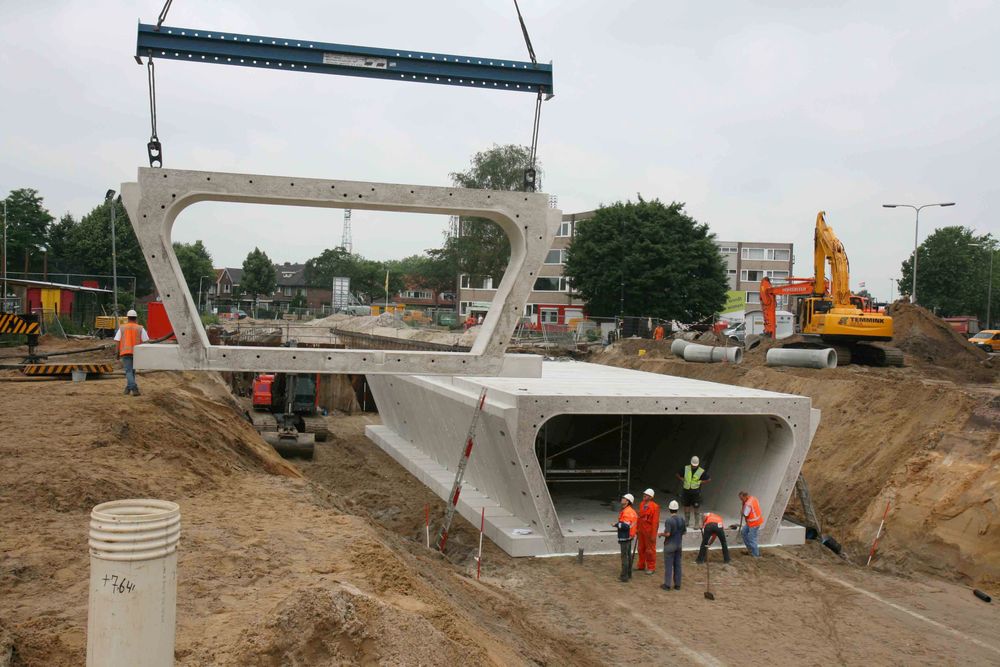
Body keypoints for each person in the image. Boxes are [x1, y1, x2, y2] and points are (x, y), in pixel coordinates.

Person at [115, 309, 149, 396]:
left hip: (125, 352)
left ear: (127, 318)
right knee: (132, 371)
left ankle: (133, 387)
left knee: (129, 371)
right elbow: (146, 341)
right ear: (136, 318)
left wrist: (117, 353)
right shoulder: (140, 328)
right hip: (137, 353)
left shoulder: (122, 327)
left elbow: (117, 341)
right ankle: (129, 388)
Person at [658, 499, 686, 591]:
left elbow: (668, 534)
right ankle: (677, 584)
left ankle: (667, 585)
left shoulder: (669, 520)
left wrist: (661, 534)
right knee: (678, 565)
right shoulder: (682, 519)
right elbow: (684, 532)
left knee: (669, 566)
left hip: (670, 545)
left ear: (669, 509)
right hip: (679, 544)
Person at [676, 456, 711, 526]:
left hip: (695, 492)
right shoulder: (686, 468)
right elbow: (677, 474)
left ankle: (697, 523)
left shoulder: (701, 471)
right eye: (693, 465)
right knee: (686, 506)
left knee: (696, 507)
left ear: (698, 464)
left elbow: (709, 479)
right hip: (686, 491)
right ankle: (686, 521)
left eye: (695, 465)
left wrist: (700, 482)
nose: (694, 466)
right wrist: (682, 479)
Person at [612, 493, 638, 582]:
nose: (622, 499)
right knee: (628, 556)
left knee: (624, 557)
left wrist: (615, 525)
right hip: (629, 536)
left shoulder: (627, 512)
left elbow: (625, 525)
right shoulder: (632, 511)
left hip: (625, 536)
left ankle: (624, 576)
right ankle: (629, 574)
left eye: (624, 498)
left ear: (627, 501)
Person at [636, 488, 660, 575]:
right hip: (641, 530)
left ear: (651, 497)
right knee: (640, 548)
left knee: (650, 550)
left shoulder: (655, 507)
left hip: (649, 532)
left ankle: (651, 567)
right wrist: (637, 529)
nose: (644, 496)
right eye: (644, 494)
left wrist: (653, 535)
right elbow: (639, 518)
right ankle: (641, 565)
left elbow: (655, 522)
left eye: (646, 495)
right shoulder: (641, 504)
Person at [739, 491, 763, 557]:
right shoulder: (753, 498)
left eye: (741, 499)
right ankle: (750, 549)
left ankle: (756, 555)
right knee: (743, 532)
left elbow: (746, 514)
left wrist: (742, 512)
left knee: (752, 538)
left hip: (754, 523)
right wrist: (744, 503)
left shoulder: (748, 504)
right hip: (753, 521)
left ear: (745, 496)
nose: (741, 500)